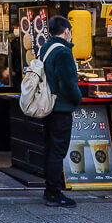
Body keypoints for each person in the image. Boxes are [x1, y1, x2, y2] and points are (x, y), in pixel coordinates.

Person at [39, 15, 82, 208]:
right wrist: (77, 98)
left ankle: (50, 190)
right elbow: (68, 82)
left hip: (48, 106)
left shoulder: (45, 48)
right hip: (61, 107)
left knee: (50, 149)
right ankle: (54, 193)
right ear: (67, 31)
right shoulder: (63, 52)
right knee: (58, 151)